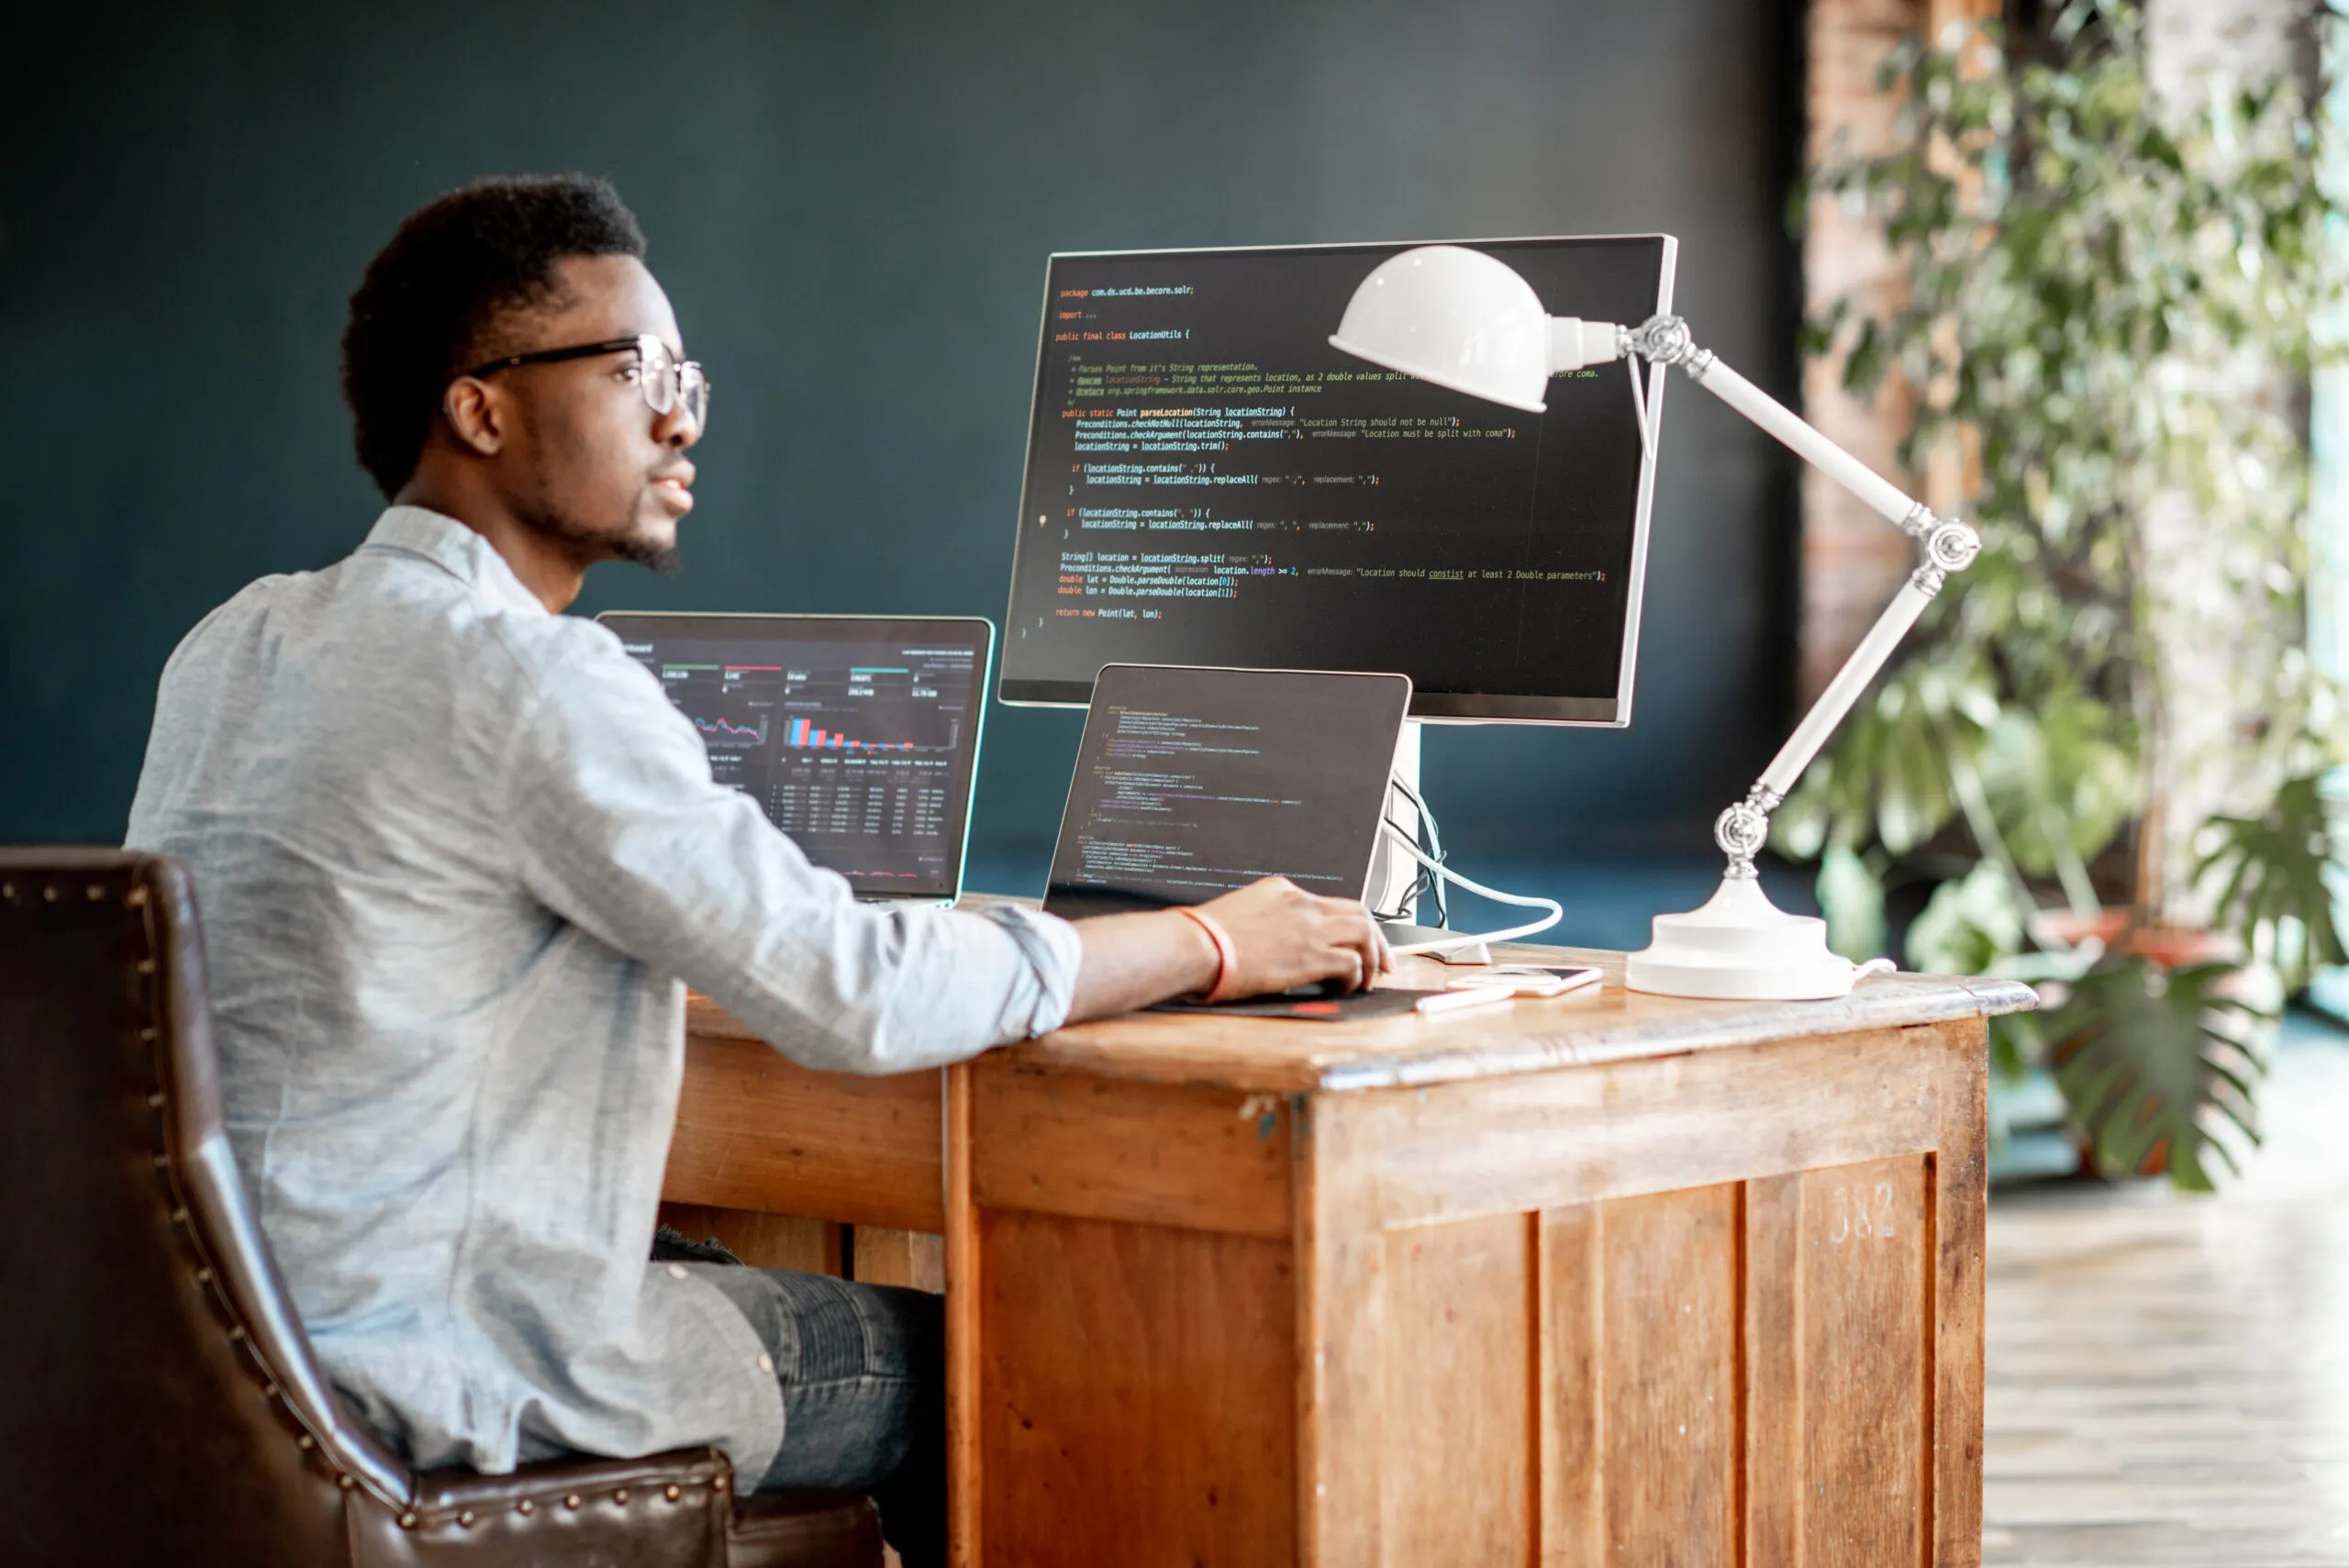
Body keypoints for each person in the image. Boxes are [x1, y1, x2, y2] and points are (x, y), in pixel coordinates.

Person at [123, 173, 1386, 1566]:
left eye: (692, 377)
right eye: (639, 371)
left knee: (717, 1274)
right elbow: (852, 993)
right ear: (479, 409)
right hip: (436, 1378)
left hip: (218, 1360)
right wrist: (1212, 941)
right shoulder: (527, 678)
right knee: (997, 1357)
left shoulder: (232, 643)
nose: (682, 415)